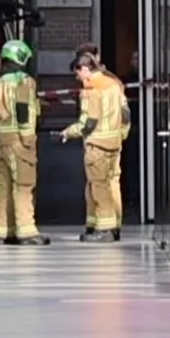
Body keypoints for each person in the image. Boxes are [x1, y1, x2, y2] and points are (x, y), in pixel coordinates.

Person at [61, 47, 130, 241]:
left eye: (77, 72)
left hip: (97, 145)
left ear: (84, 68)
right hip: (114, 144)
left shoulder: (91, 90)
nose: (77, 78)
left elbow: (87, 123)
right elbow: (126, 114)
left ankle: (104, 229)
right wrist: (121, 135)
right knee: (111, 184)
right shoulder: (114, 84)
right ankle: (109, 224)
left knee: (98, 186)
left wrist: (68, 132)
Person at [0, 40, 48, 246]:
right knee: (23, 186)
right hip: (18, 141)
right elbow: (23, 109)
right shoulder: (24, 81)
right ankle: (27, 231)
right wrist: (27, 138)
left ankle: (4, 230)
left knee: (2, 188)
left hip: (0, 141)